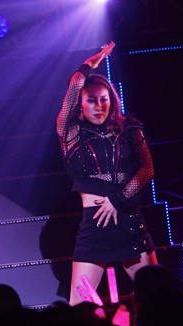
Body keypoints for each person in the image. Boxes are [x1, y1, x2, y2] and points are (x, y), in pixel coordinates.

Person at [55, 42, 158, 305]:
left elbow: (147, 169)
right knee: (80, 306)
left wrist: (117, 199)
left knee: (156, 297)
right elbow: (73, 92)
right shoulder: (71, 133)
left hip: (128, 219)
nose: (99, 106)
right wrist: (87, 66)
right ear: (80, 104)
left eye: (104, 99)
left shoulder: (129, 128)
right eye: (91, 100)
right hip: (95, 227)